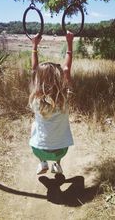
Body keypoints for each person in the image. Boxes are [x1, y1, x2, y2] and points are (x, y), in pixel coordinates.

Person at [29, 32, 74, 175]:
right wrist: (69, 42)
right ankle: (57, 164)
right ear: (58, 77)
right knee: (59, 130)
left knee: (34, 125)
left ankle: (42, 162)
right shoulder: (64, 97)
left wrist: (34, 45)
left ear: (38, 81)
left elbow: (34, 69)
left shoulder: (36, 100)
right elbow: (66, 68)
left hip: (39, 149)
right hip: (61, 151)